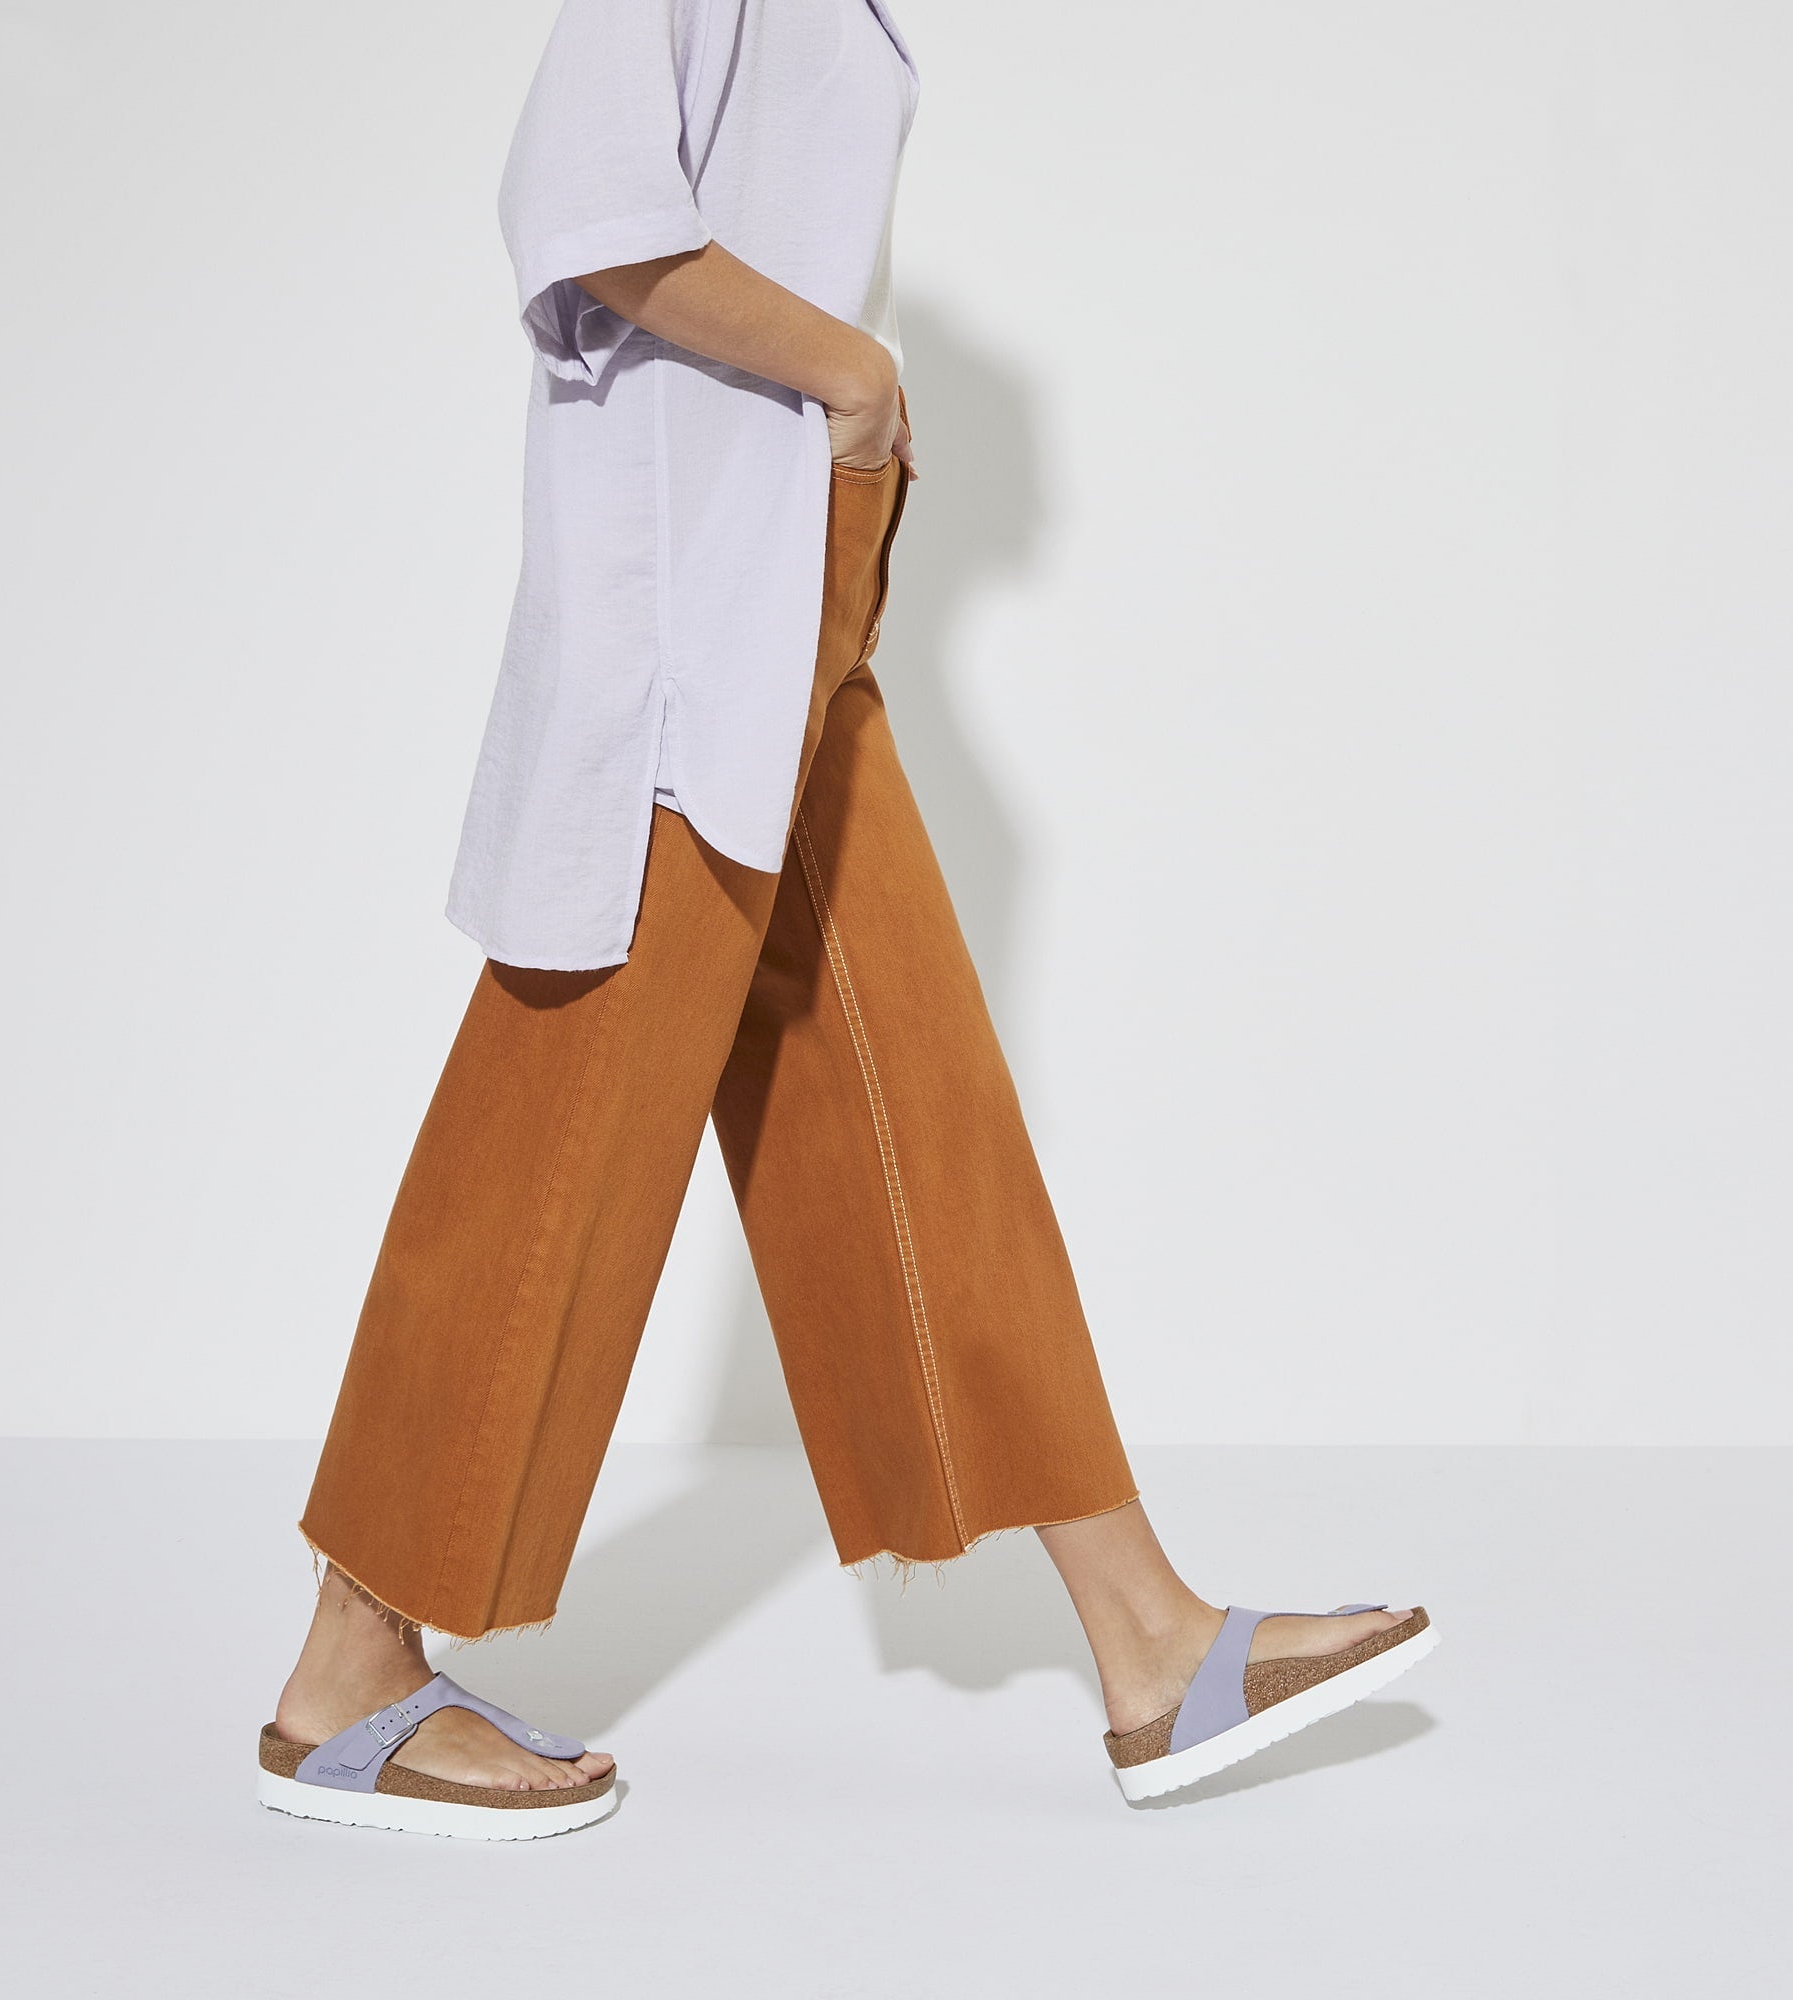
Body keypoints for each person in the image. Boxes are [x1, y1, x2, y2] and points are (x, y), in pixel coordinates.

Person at [254, 0, 1436, 1841]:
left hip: (782, 628)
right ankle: (348, 1670)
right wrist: (857, 374)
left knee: (912, 1115)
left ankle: (1149, 1640)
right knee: (554, 1138)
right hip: (679, 658)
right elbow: (584, 203)